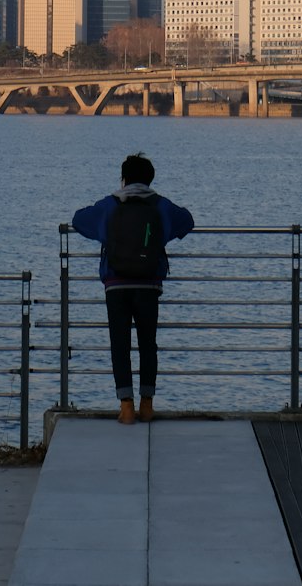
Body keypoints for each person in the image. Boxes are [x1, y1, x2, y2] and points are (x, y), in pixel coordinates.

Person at [72, 152, 194, 424]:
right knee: (148, 344)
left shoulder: (109, 205)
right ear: (150, 179)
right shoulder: (160, 205)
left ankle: (126, 407)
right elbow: (187, 220)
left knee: (120, 345)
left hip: (115, 283)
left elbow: (79, 220)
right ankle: (147, 405)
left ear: (123, 179)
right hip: (149, 283)